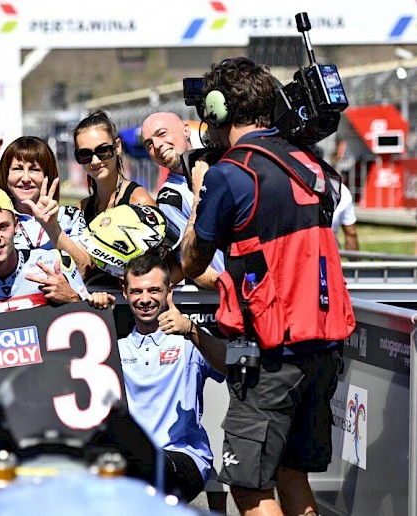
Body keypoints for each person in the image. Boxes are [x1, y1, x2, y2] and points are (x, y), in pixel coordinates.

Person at [179, 57, 355, 516]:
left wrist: (200, 190)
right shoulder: (308, 162)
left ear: (217, 109)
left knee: (248, 486)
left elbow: (193, 260)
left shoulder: (230, 173)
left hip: (266, 354)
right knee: (292, 473)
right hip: (322, 348)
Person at [0, 185, 90, 410]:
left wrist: (73, 300)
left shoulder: (52, 263)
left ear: (17, 226)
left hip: (52, 398)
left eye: (3, 227)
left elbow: (92, 335)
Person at [119, 253, 225, 503]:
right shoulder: (115, 348)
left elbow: (228, 367)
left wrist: (191, 330)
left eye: (154, 290)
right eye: (136, 291)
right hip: (134, 463)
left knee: (143, 474)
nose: (145, 299)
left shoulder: (189, 339)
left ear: (169, 291)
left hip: (184, 457)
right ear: (125, 293)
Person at [140, 112, 225, 289]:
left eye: (162, 134)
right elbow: (191, 266)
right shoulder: (170, 198)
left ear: (186, 130)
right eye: (149, 144)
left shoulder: (224, 161)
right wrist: (229, 284)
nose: (157, 145)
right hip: (228, 293)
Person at [0, 135, 92, 276]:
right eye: (17, 168)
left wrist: (52, 227)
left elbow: (85, 269)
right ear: (6, 175)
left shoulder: (70, 216)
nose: (26, 178)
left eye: (34, 169)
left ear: (47, 175)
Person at [73, 110, 156, 225]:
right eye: (85, 154)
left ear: (117, 147)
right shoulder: (81, 210)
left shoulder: (140, 202)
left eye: (103, 150)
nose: (95, 161)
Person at [331, 180, 359, 250]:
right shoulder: (341, 189)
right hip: (327, 247)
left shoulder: (342, 189)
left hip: (307, 245)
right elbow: (351, 232)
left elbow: (351, 232)